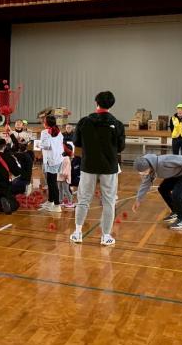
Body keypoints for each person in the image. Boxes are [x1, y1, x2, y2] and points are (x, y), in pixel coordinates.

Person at [71, 91, 126, 246]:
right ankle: (106, 236)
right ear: (111, 105)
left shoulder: (84, 122)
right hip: (109, 167)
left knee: (83, 199)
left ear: (96, 102)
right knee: (109, 201)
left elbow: (76, 142)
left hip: (88, 165)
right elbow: (121, 147)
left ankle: (77, 233)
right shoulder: (117, 124)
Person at [133, 154, 182, 231]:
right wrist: (138, 200)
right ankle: (175, 212)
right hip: (176, 175)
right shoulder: (150, 170)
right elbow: (145, 184)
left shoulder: (164, 161)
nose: (143, 174)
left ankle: (181, 221)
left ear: (149, 166)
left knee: (177, 194)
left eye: (144, 171)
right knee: (163, 189)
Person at [39, 115, 64, 213]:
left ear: (46, 123)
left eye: (44, 121)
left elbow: (46, 145)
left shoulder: (45, 132)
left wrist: (39, 144)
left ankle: (57, 205)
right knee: (50, 181)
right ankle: (50, 201)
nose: (42, 122)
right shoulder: (58, 130)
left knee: (52, 183)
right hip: (57, 159)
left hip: (51, 160)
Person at [58, 143, 74, 208]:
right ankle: (61, 201)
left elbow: (66, 170)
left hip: (65, 177)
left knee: (66, 190)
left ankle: (70, 202)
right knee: (60, 189)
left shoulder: (67, 158)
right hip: (60, 177)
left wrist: (64, 175)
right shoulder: (62, 158)